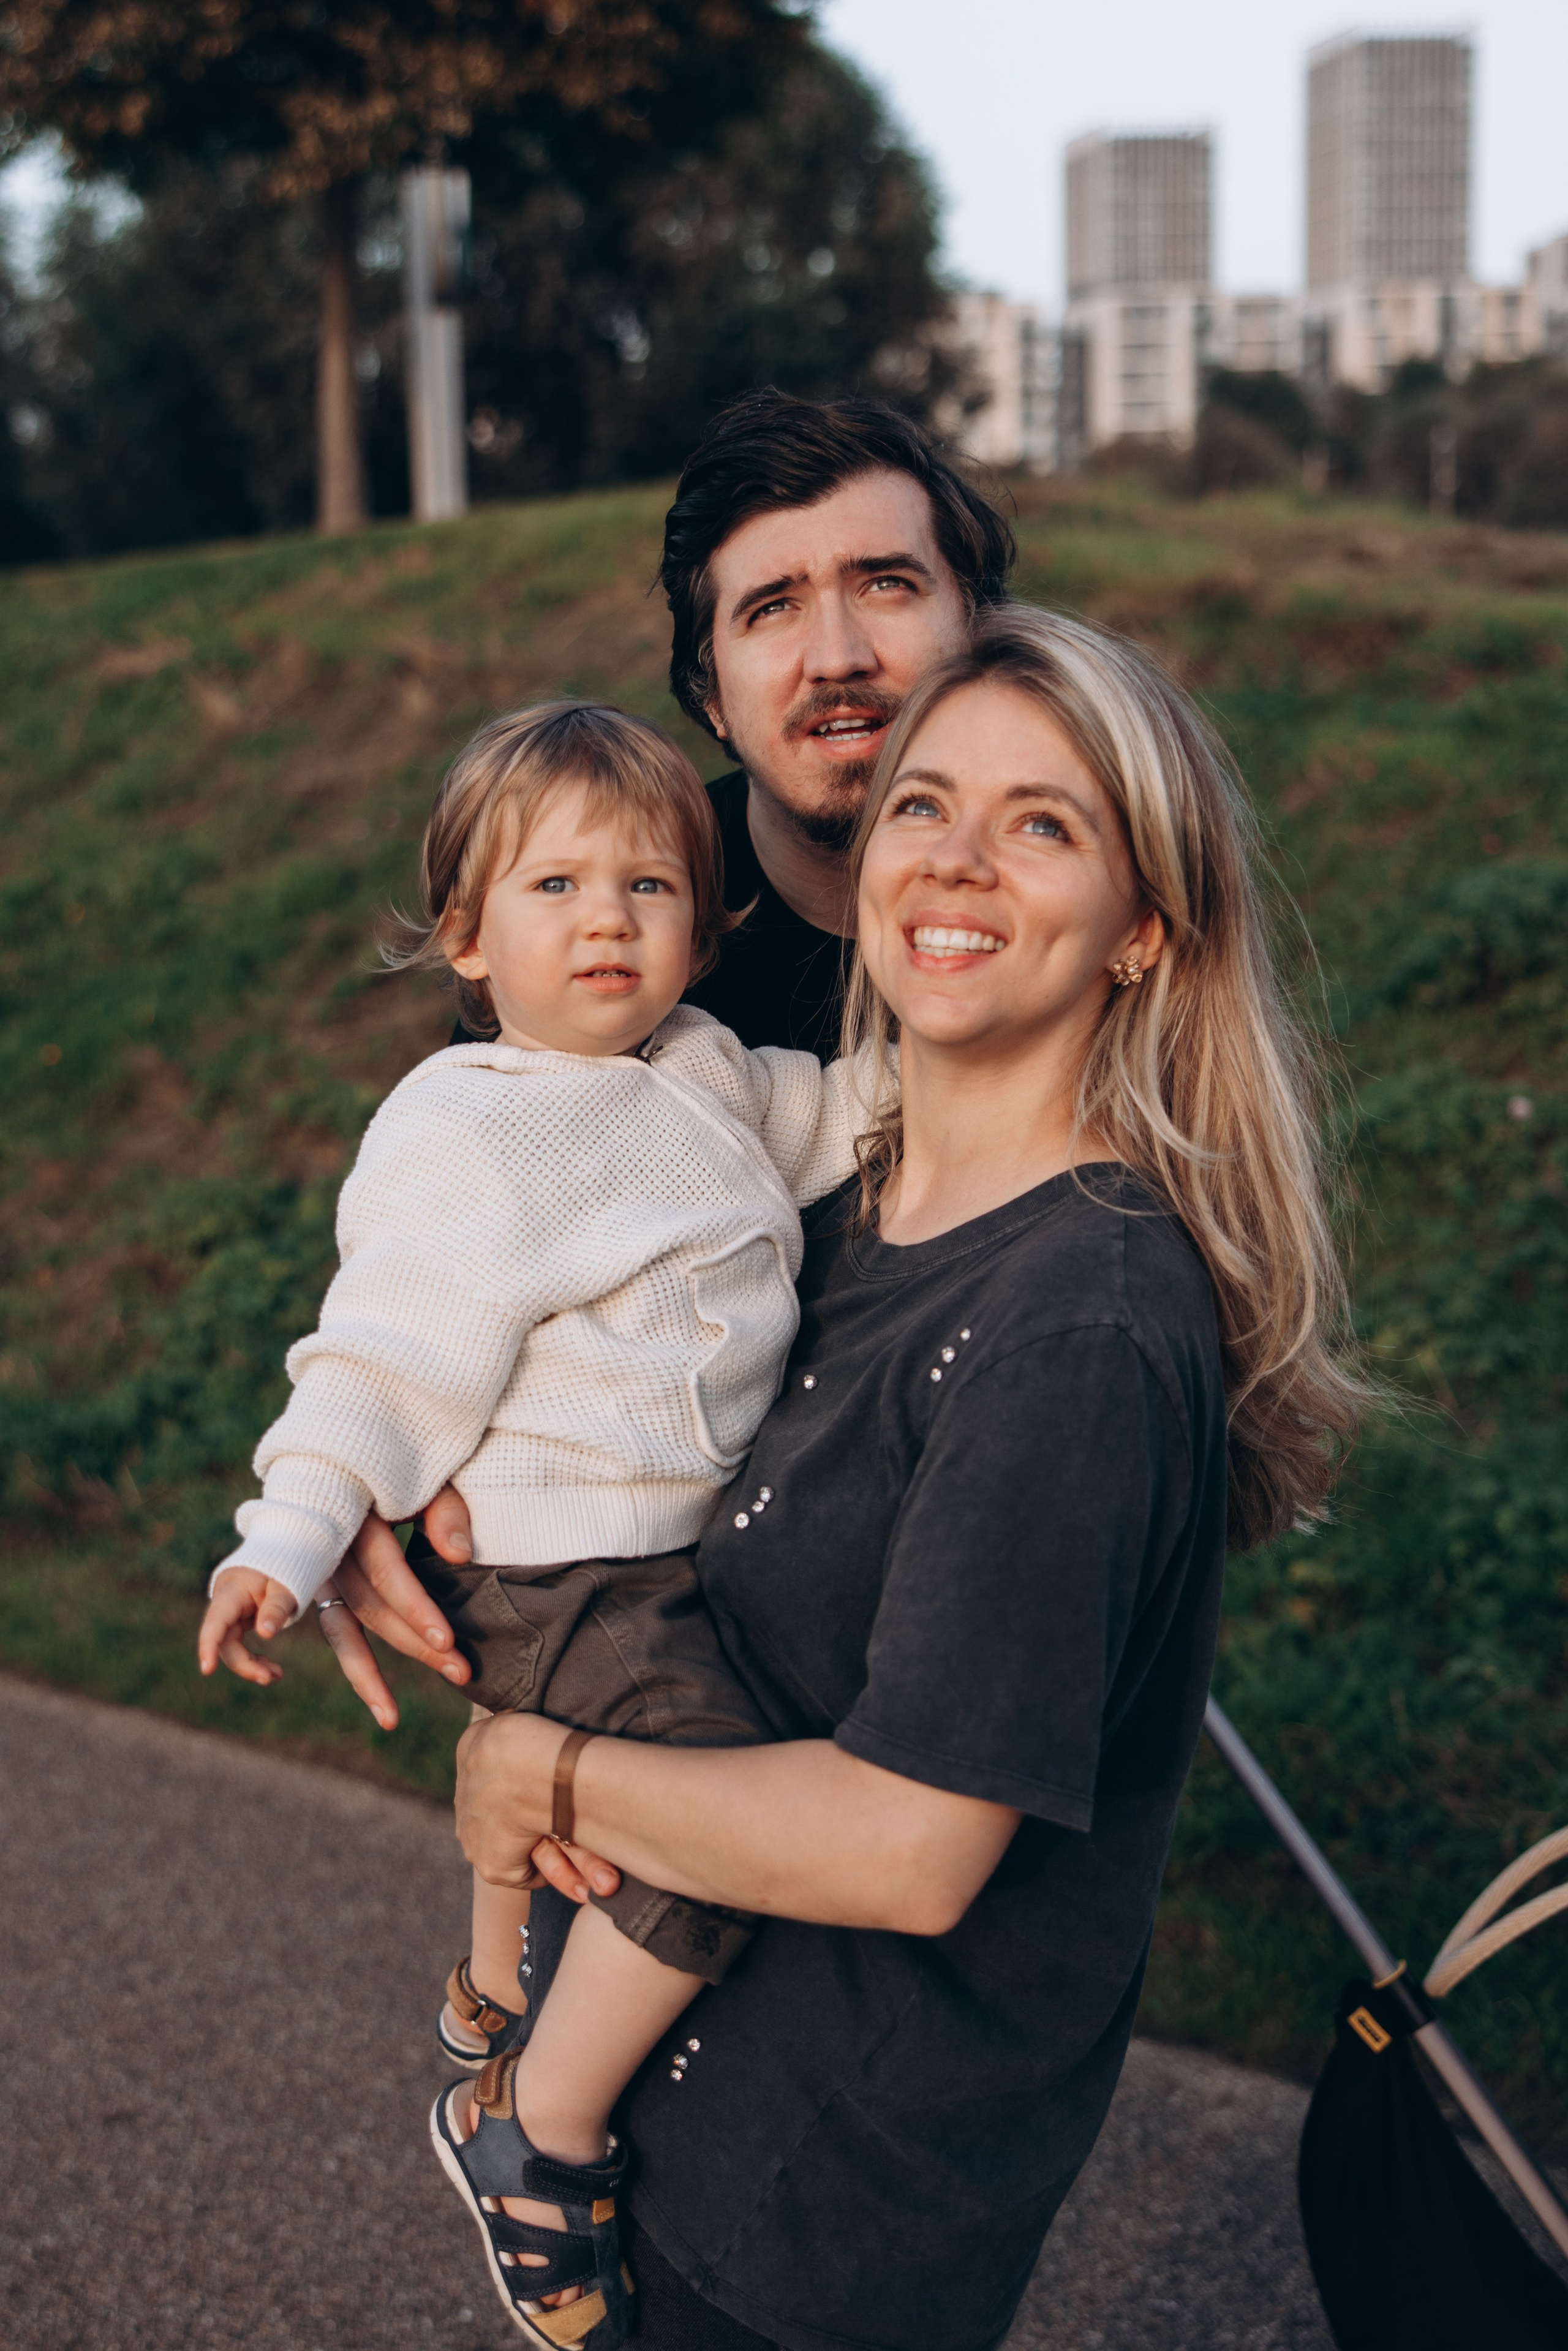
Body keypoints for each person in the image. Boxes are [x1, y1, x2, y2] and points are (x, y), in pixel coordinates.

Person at [323, 606, 1368, 2351]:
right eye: (920, 803)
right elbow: (525, 1265)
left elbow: (914, 1842)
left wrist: (539, 1766)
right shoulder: (829, 1201)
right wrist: (387, 1462)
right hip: (667, 2120)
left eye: (1045, 822)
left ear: (1143, 930)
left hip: (811, 2215)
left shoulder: (1074, 1322)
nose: (954, 858)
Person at [197, 699, 888, 2349]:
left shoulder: (707, 1070)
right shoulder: (468, 1127)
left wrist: (1002, 1044)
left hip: (662, 1554)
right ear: (467, 936)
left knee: (624, 1783)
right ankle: (534, 2126)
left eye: (650, 888)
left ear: (702, 926)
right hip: (568, 1560)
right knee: (712, 1840)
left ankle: (496, 1980)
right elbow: (378, 1356)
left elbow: (845, 1112)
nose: (607, 920)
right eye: (558, 887)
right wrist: (287, 1534)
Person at [454, 391, 1016, 1059]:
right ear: (710, 694)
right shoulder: (606, 924)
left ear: (980, 632)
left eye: (886, 585)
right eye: (773, 607)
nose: (838, 656)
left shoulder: (1079, 882)